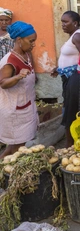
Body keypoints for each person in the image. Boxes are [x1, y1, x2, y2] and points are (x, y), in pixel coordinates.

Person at [0, 21, 38, 158]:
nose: (33, 44)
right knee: (15, 151)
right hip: (14, 112)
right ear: (19, 40)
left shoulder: (26, 55)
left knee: (14, 148)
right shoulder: (10, 61)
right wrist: (18, 77)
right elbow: (3, 83)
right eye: (31, 41)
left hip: (24, 107)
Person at [51, 11, 80, 146]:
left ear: (75, 23)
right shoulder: (73, 36)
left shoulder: (78, 36)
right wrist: (59, 68)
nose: (63, 25)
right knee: (69, 110)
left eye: (66, 22)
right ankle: (72, 144)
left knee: (71, 112)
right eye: (61, 22)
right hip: (69, 79)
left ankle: (71, 145)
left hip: (75, 80)